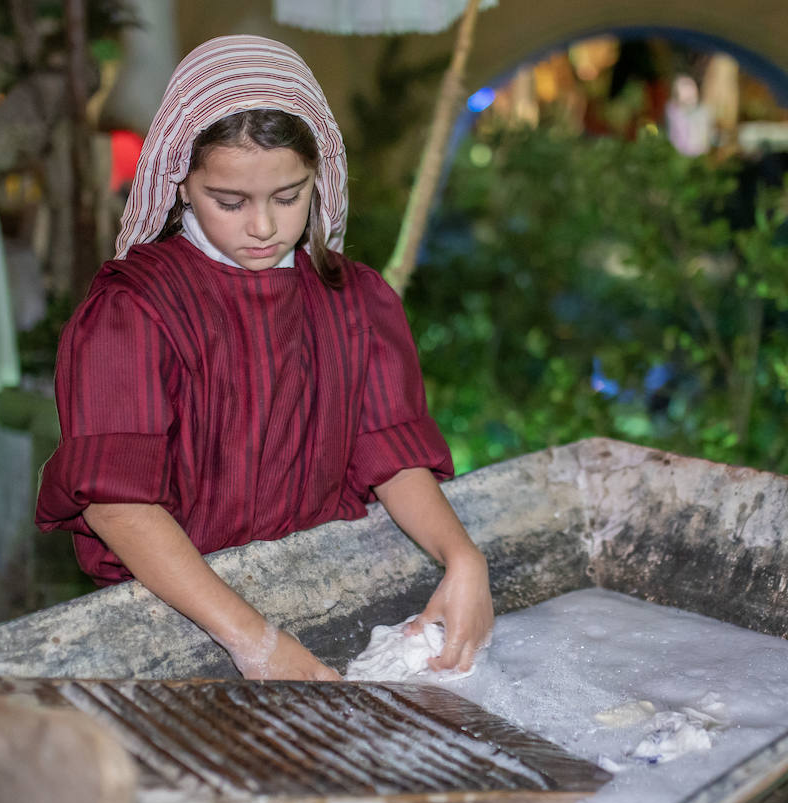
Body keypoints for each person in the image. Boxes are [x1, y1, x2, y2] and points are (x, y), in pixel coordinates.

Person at [34, 35, 492, 682]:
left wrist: (462, 557)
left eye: (288, 196)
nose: (263, 227)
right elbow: (117, 504)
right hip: (176, 620)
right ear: (181, 183)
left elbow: (393, 456)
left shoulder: (352, 300)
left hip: (322, 596)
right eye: (230, 201)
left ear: (320, 176)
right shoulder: (135, 311)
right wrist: (257, 644)